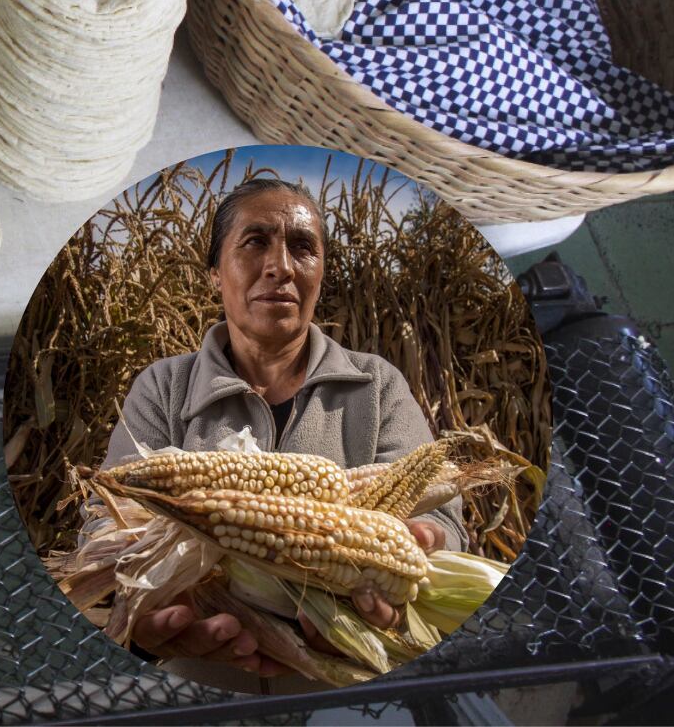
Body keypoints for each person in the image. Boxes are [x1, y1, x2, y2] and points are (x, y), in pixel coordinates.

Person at [99, 178, 463, 687]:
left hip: (353, 677)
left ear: (320, 273)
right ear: (214, 274)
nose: (281, 267)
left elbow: (444, 517)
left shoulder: (376, 384)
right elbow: (110, 521)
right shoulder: (163, 386)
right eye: (255, 242)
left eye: (302, 247)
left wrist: (423, 548)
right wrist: (150, 612)